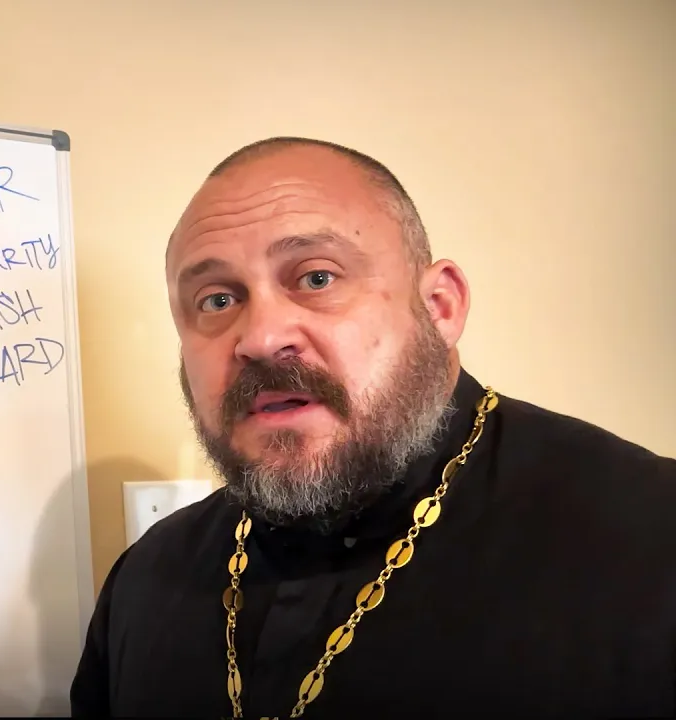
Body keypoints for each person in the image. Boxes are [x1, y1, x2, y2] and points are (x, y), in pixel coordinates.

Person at [68, 137, 676, 719]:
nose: (260, 338)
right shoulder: (145, 581)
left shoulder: (650, 542)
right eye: (217, 300)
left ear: (439, 307)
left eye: (317, 278)